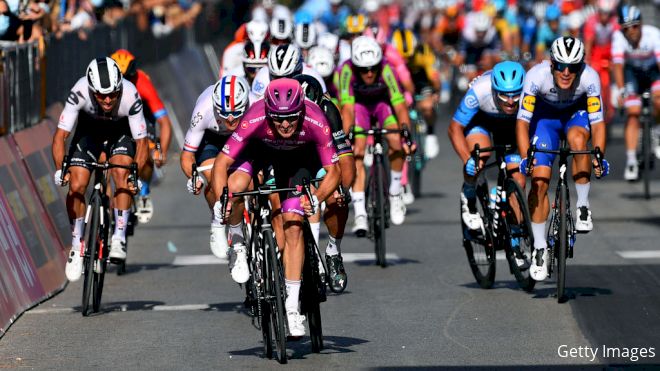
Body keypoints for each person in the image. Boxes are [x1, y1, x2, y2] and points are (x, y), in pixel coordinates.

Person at [211, 78, 341, 337]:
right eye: (278, 118)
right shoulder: (254, 116)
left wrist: (316, 198)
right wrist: (220, 201)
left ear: (302, 111)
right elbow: (221, 163)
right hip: (261, 151)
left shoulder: (316, 120)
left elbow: (333, 171)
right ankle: (237, 240)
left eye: (292, 118)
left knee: (293, 223)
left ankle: (292, 308)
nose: (284, 124)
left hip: (298, 160)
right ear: (267, 111)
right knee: (235, 188)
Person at [516, 37, 610, 281]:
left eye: (574, 67)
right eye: (561, 66)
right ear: (551, 63)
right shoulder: (535, 76)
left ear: (581, 67)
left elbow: (598, 123)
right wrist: (528, 157)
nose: (566, 72)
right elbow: (522, 122)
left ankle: (582, 206)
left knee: (579, 141)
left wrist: (599, 154)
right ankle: (539, 247)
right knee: (539, 181)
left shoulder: (590, 78)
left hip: (574, 116)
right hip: (544, 120)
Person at [53, 57, 148, 281]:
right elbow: (60, 137)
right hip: (89, 133)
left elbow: (142, 143)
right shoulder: (79, 91)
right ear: (91, 89)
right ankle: (77, 246)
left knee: (121, 173)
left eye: (112, 94)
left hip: (120, 132)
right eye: (101, 95)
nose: (107, 100)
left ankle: (119, 237)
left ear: (119, 88)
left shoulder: (130, 94)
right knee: (76, 185)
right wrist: (60, 169)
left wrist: (136, 173)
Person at [448, 61, 528, 266]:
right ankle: (469, 194)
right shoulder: (479, 91)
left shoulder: (530, 91)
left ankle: (516, 243)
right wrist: (467, 160)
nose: (510, 101)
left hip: (511, 127)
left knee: (518, 179)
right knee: (478, 160)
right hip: (481, 121)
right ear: (494, 89)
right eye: (504, 95)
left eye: (515, 95)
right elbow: (454, 128)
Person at [180, 75, 252, 283]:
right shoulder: (204, 109)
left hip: (242, 140)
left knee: (251, 182)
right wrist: (193, 176)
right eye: (224, 115)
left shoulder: (255, 104)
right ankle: (220, 222)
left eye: (236, 114)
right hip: (211, 141)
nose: (230, 120)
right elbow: (187, 156)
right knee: (217, 182)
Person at [339, 35, 414, 234]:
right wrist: (346, 138)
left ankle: (396, 192)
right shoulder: (346, 70)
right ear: (355, 66)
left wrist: (407, 133)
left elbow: (399, 104)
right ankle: (360, 212)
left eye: (373, 67)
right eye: (364, 69)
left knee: (396, 141)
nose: (370, 73)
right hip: (359, 107)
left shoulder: (387, 68)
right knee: (358, 151)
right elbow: (347, 108)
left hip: (381, 105)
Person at [294, 73, 354, 293]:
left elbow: (345, 157)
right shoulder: (283, 113)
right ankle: (306, 262)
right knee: (298, 200)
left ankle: (332, 251)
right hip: (295, 159)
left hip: (323, 157)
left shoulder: (329, 110)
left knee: (337, 199)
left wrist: (343, 189)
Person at [110, 49, 173, 224]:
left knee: (147, 148)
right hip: (119, 115)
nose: (124, 84)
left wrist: (162, 152)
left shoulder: (143, 83)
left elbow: (165, 123)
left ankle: (144, 190)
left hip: (143, 116)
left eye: (128, 79)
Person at [611, 5, 660, 180]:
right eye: (626, 28)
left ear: (641, 25)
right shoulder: (618, 38)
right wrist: (622, 90)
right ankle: (631, 161)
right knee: (633, 113)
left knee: (658, 100)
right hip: (633, 74)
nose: (631, 31)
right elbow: (617, 65)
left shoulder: (653, 35)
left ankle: (657, 131)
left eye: (635, 26)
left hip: (654, 72)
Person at [249, 43, 327, 103]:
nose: (282, 82)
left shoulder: (312, 75)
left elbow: (326, 104)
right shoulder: (262, 76)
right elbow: (256, 107)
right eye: (276, 77)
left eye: (288, 77)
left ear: (298, 69)